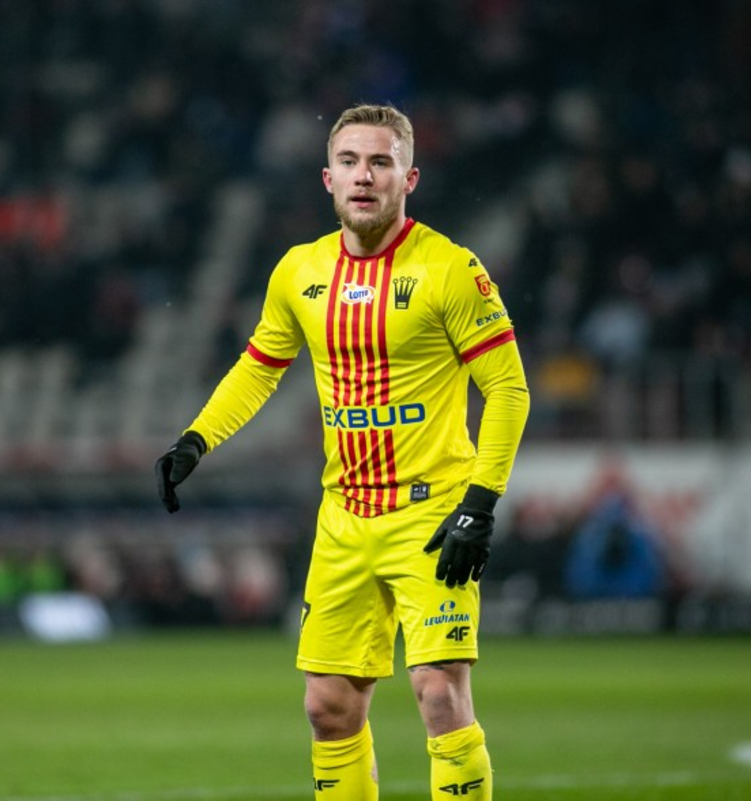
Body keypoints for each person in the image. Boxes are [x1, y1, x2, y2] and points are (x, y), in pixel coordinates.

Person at [155, 104, 530, 800]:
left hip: (431, 516)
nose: (364, 176)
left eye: (381, 162)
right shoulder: (299, 271)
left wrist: (480, 503)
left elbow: (508, 389)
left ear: (408, 179)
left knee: (439, 693)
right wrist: (196, 439)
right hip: (344, 518)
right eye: (350, 162)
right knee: (328, 708)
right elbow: (259, 367)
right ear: (327, 178)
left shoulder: (451, 269)